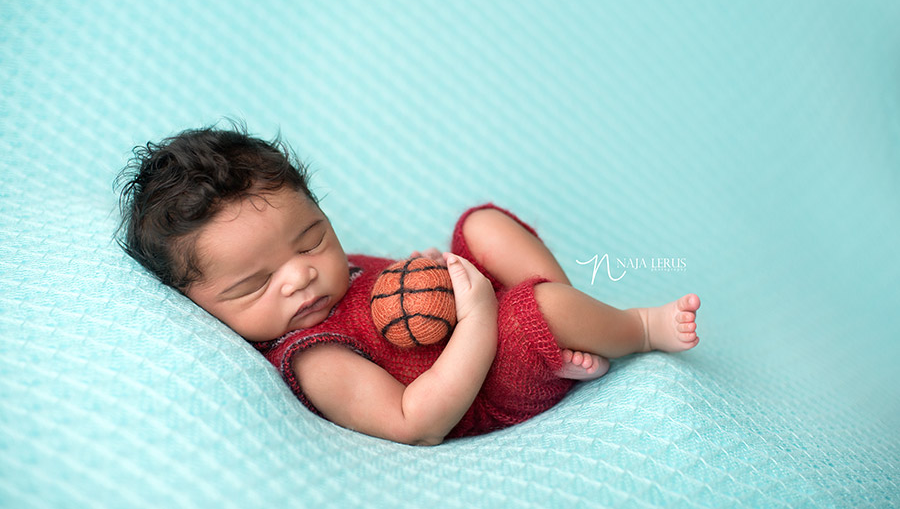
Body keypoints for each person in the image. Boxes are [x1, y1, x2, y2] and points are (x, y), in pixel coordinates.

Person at [117, 123, 700, 445]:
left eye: (311, 239)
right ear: (197, 307)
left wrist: (435, 275)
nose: (302, 276)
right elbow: (414, 422)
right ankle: (638, 327)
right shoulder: (313, 357)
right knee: (538, 308)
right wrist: (479, 319)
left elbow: (393, 288)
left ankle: (569, 338)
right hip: (479, 391)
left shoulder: (334, 279)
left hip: (469, 319)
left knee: (483, 224)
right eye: (255, 284)